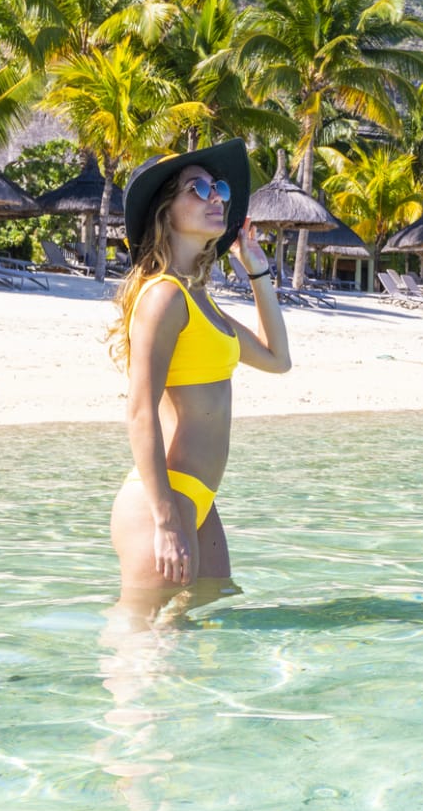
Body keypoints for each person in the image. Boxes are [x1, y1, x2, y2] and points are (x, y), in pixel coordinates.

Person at [106, 139, 291, 601]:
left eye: (220, 189)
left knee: (210, 626)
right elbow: (140, 412)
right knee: (145, 652)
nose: (216, 198)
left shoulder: (200, 300)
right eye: (199, 188)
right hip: (163, 500)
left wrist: (258, 272)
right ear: (165, 211)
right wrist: (166, 519)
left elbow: (277, 359)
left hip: (200, 500)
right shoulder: (163, 296)